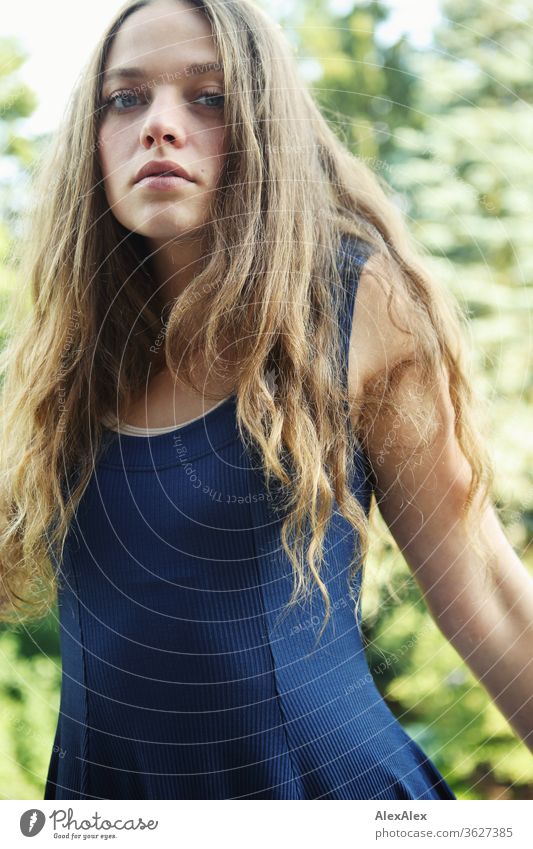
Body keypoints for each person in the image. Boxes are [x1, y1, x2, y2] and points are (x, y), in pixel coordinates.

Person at [0, 0, 532, 802]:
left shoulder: (356, 306)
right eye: (126, 97)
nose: (160, 125)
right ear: (93, 137)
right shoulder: (54, 365)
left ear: (262, 124)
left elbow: (484, 589)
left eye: (206, 97)